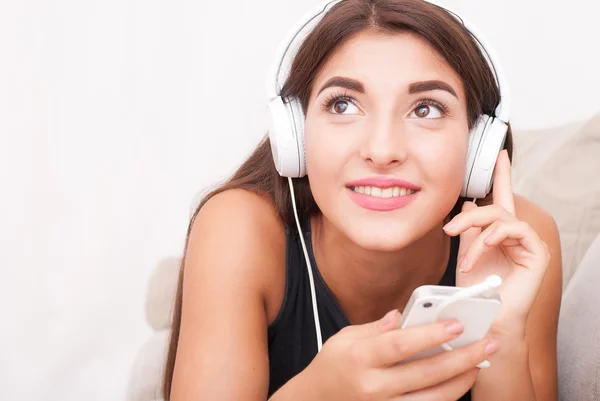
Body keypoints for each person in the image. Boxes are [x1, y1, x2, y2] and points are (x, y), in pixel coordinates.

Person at [163, 0, 562, 400]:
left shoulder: (518, 248)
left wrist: (499, 334)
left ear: (477, 145)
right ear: (296, 137)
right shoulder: (237, 230)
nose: (382, 149)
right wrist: (315, 394)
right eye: (343, 104)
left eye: (426, 109)